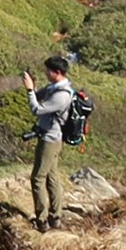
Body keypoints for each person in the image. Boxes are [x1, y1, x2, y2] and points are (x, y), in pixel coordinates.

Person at [26, 53, 83, 231]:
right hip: (49, 137)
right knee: (51, 176)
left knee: (37, 178)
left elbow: (37, 109)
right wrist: (34, 88)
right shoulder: (54, 87)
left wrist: (29, 90)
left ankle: (42, 220)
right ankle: (55, 217)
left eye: (48, 71)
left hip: (50, 139)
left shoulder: (62, 96)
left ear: (57, 72)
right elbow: (39, 97)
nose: (46, 73)